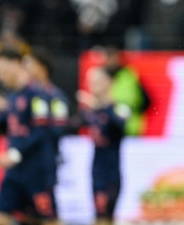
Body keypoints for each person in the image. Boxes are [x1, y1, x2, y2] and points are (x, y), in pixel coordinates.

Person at [0, 49, 61, 225]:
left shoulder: (38, 93)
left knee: (46, 220)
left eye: (1, 69)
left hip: (37, 170)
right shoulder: (13, 96)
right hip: (15, 172)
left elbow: (42, 131)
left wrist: (15, 154)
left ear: (15, 64)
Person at [75, 67, 130, 225]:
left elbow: (122, 125)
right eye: (91, 82)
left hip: (110, 173)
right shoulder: (91, 110)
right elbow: (70, 125)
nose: (93, 86)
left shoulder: (119, 108)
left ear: (109, 83)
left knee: (104, 218)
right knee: (99, 218)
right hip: (95, 171)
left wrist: (100, 105)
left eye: (98, 82)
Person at [22, 46, 70, 190]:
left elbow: (59, 129)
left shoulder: (55, 96)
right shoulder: (23, 95)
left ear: (41, 67)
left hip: (45, 158)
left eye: (28, 64)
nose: (25, 68)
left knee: (45, 203)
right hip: (24, 158)